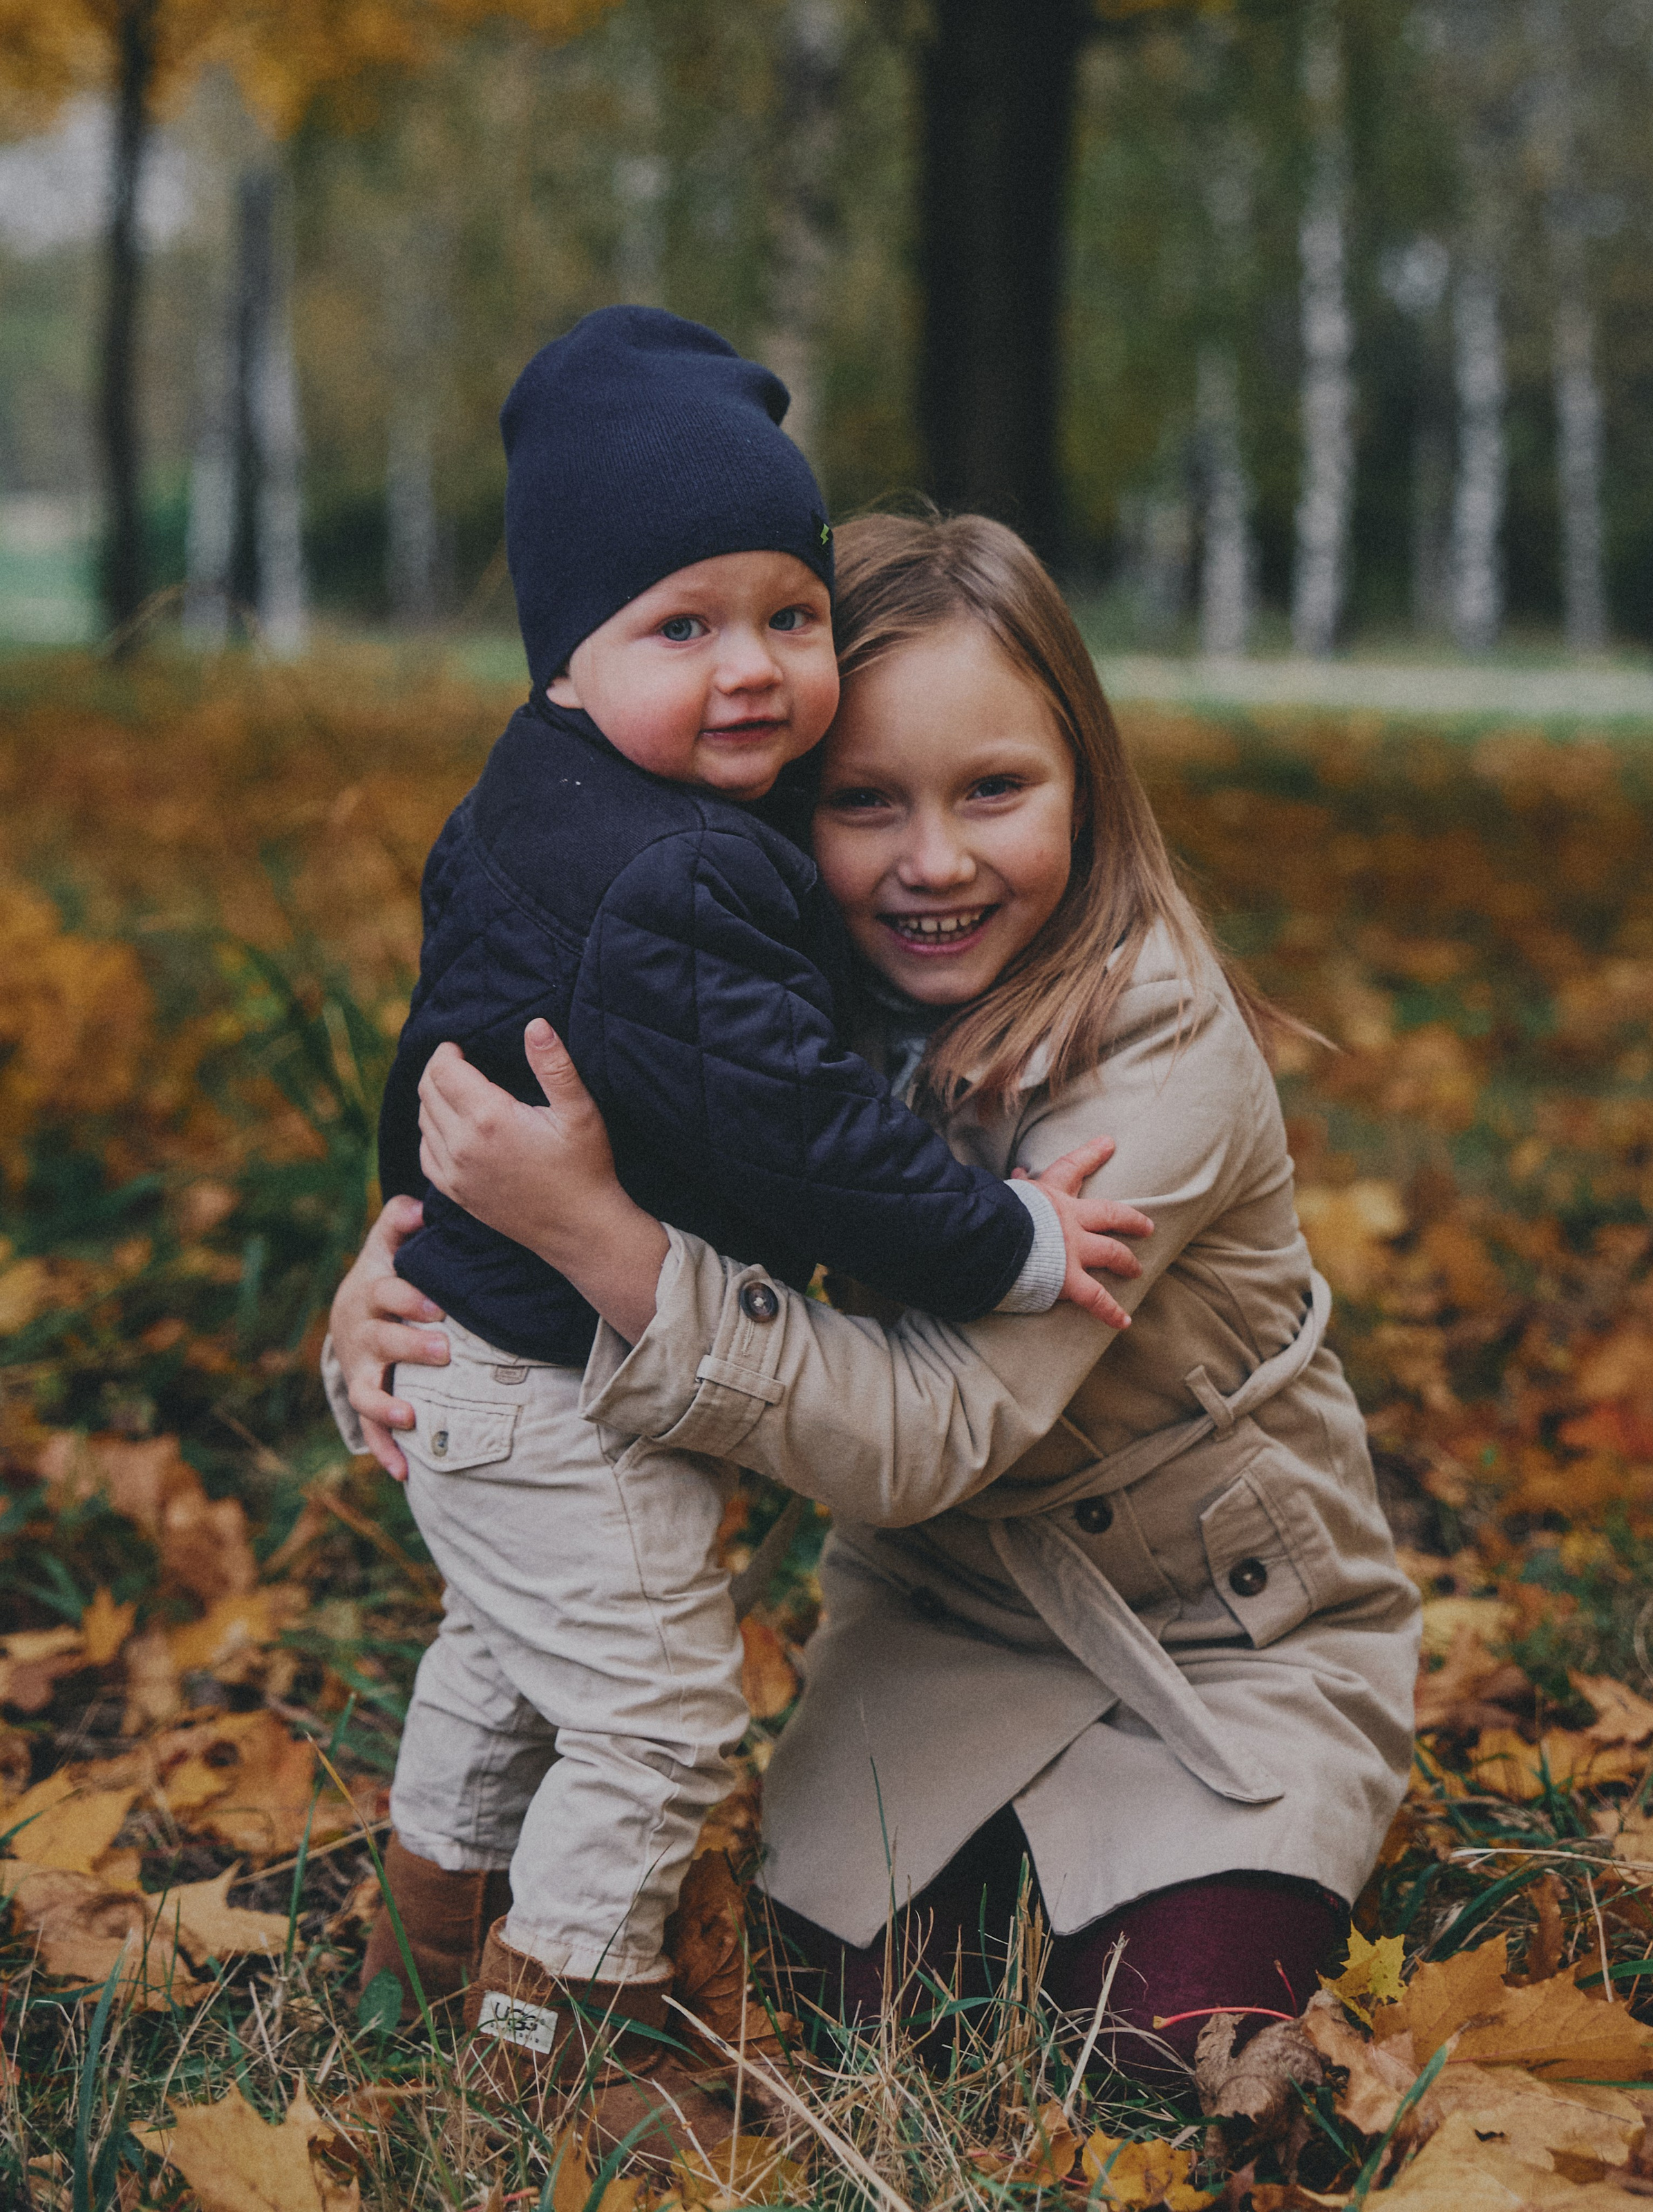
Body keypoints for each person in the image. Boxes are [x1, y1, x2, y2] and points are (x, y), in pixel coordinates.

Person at [332, 511, 1420, 2092]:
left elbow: (932, 1432)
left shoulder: (1156, 1043)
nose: (932, 859)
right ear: (785, 807)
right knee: (855, 2016)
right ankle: (486, 1990)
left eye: (993, 789)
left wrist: (603, 1247)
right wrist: (394, 1289)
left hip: (1218, 1634)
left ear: (1084, 784)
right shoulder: (759, 984)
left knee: (1155, 2051)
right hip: (938, 1616)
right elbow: (490, 1119)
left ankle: (1237, 1874)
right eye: (862, 803)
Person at [325, 316, 1151, 2133]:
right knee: (662, 1715)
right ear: (574, 648)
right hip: (555, 1386)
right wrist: (1002, 1243)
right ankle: (555, 2058)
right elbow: (818, 1147)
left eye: (789, 616)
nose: (755, 672)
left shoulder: (526, 793)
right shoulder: (683, 877)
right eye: (681, 629)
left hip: (482, 1349)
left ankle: (422, 1946)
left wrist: (403, 1216)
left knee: (508, 1665)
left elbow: (432, 1044)